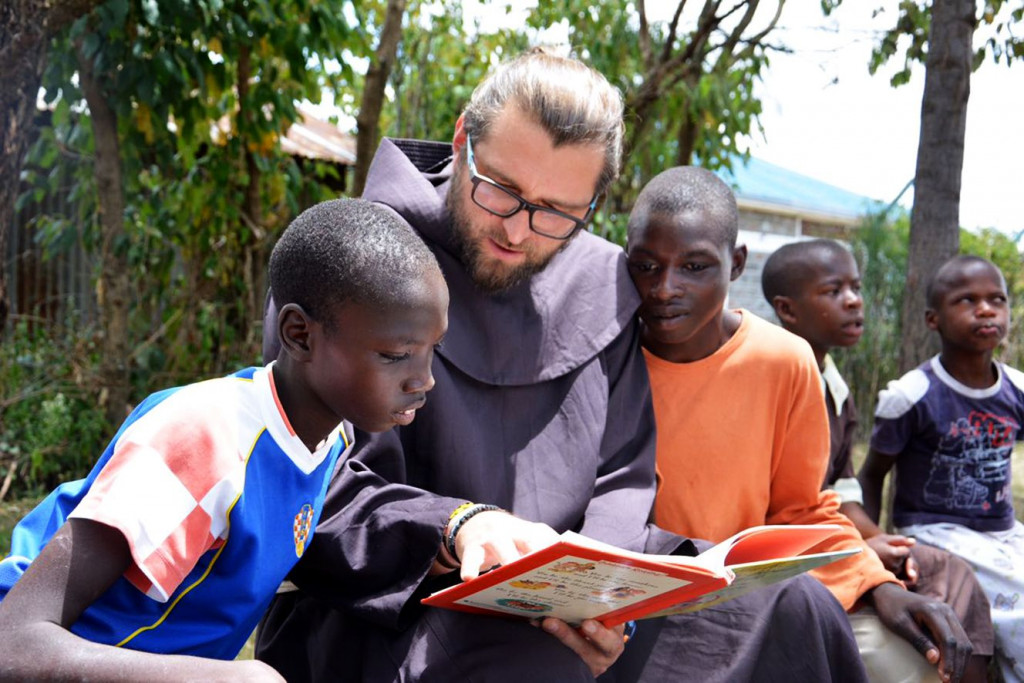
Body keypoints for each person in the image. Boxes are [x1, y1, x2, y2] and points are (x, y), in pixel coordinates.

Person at [256, 49, 868, 682]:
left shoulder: (601, 283)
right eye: (502, 190)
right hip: (399, 601)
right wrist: (458, 526)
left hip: (574, 590)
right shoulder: (351, 262)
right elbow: (307, 488)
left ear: (593, 202)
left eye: (556, 211)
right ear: (464, 140)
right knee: (540, 661)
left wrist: (602, 603)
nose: (518, 232)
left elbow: (624, 471)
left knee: (796, 610)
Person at [0, 199, 449, 681]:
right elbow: (13, 645)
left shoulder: (329, 440)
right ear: (299, 335)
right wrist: (232, 677)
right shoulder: (201, 440)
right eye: (396, 355)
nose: (424, 379)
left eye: (434, 349)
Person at [624, 166, 975, 682]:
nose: (664, 288)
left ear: (736, 263)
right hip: (635, 598)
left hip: (749, 594)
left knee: (913, 666)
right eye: (646, 266)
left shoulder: (783, 360)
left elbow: (802, 509)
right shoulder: (608, 355)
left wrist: (879, 585)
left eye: (695, 266)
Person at [762, 238, 995, 681]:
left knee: (944, 569)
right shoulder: (768, 379)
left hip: (836, 539)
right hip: (795, 550)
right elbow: (786, 505)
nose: (854, 301)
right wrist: (859, 554)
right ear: (787, 310)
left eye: (856, 287)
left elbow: (841, 489)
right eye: (834, 291)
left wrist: (876, 539)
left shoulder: (837, 392)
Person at [859, 254, 1024, 682]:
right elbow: (872, 474)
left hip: (1002, 532)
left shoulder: (1017, 389)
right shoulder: (912, 395)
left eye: (997, 299)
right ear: (933, 319)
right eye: (967, 300)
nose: (986, 310)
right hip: (935, 530)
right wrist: (873, 546)